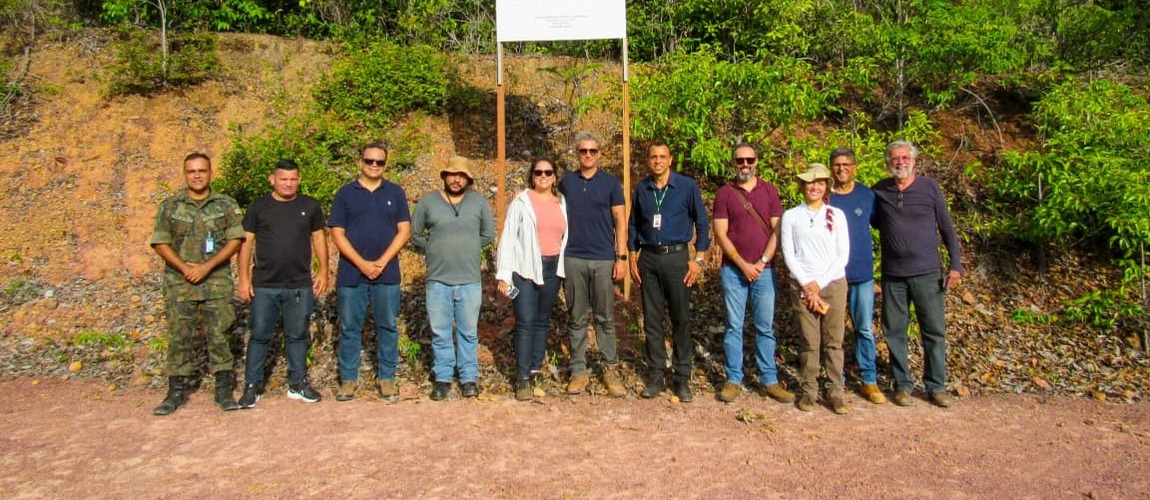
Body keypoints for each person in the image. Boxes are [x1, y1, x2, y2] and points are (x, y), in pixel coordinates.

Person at [149, 153, 245, 415]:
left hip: (215, 281)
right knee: (180, 337)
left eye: (202, 170)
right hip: (180, 283)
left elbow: (236, 240)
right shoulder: (170, 206)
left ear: (210, 173)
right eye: (191, 171)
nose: (197, 175)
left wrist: (207, 267)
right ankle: (175, 393)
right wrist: (184, 267)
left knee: (220, 335)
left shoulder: (225, 205)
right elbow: (160, 242)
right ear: (185, 174)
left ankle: (223, 391)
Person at [872, 140, 963, 408]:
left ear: (913, 160)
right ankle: (902, 385)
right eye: (895, 158)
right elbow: (872, 221)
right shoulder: (880, 190)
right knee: (895, 331)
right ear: (888, 162)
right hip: (893, 275)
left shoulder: (929, 188)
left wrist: (955, 266)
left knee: (933, 331)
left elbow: (947, 228)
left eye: (904, 157)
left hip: (927, 273)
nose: (900, 162)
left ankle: (936, 386)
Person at [235, 159, 329, 408]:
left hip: (299, 284)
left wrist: (324, 271)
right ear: (272, 180)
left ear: (299, 180)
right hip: (264, 284)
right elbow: (246, 243)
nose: (288, 183)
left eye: (293, 179)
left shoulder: (310, 206)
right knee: (259, 336)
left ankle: (298, 383)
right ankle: (252, 386)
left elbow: (319, 238)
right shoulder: (259, 207)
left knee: (297, 335)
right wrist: (243, 278)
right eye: (283, 179)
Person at [628, 140, 710, 402]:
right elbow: (633, 224)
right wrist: (631, 254)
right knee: (652, 321)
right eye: (653, 157)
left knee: (680, 319)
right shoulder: (642, 188)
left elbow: (703, 222)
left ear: (670, 159)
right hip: (649, 259)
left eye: (662, 156)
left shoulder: (686, 187)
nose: (658, 161)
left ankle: (682, 377)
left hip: (677, 259)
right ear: (648, 160)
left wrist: (698, 259)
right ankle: (655, 375)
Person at [712, 143, 794, 404]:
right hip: (733, 271)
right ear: (733, 163)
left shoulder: (769, 191)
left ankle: (769, 380)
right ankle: (733, 379)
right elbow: (720, 233)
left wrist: (761, 262)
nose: (744, 165)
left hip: (765, 272)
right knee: (733, 327)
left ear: (757, 161)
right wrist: (742, 264)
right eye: (739, 161)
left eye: (749, 160)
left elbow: (776, 231)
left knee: (764, 327)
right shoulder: (725, 193)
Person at [329, 144, 411, 402]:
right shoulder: (345, 194)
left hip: (386, 273)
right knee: (350, 328)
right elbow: (337, 233)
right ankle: (348, 380)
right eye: (369, 161)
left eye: (379, 162)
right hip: (351, 273)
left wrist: (382, 261)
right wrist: (362, 263)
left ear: (386, 165)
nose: (374, 165)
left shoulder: (395, 192)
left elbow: (404, 230)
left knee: (387, 326)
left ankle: (386, 378)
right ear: (360, 163)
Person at [410, 156, 496, 401]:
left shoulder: (478, 203)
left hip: (469, 279)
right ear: (444, 176)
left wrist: (468, 248)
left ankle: (469, 378)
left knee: (468, 332)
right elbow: (415, 234)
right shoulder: (428, 203)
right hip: (438, 280)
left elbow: (488, 235)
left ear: (468, 179)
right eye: (451, 174)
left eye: (461, 176)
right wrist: (434, 248)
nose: (456, 179)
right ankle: (443, 378)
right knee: (440, 332)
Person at [559, 131, 627, 397]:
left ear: (599, 154)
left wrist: (620, 256)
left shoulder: (611, 184)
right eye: (583, 151)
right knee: (576, 318)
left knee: (605, 318)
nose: (588, 155)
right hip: (573, 257)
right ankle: (578, 371)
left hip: (602, 258)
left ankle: (610, 369)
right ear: (577, 154)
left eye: (592, 151)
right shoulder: (567, 183)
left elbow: (621, 221)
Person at [780, 163, 850, 414]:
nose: (815, 186)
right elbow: (789, 253)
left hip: (832, 284)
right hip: (802, 285)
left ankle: (835, 391)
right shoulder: (791, 216)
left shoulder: (836, 215)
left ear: (826, 186)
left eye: (820, 182)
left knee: (834, 341)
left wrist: (819, 284)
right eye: (811, 182)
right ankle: (809, 390)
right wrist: (806, 284)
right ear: (803, 185)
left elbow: (842, 255)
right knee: (810, 342)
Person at [496, 158, 568, 401]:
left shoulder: (562, 202)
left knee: (542, 321)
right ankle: (522, 377)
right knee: (526, 322)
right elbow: (508, 238)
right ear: (532, 176)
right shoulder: (521, 201)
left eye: (548, 172)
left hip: (552, 268)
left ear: (555, 176)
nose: (543, 176)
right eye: (539, 172)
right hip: (524, 269)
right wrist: (504, 275)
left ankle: (536, 369)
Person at [827, 147, 887, 405]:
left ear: (855, 167)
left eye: (846, 164)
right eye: (837, 165)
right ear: (831, 168)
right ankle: (835, 380)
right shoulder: (825, 198)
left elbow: (882, 228)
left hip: (862, 274)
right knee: (834, 331)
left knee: (863, 328)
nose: (841, 169)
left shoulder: (867, 196)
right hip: (833, 276)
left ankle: (869, 380)